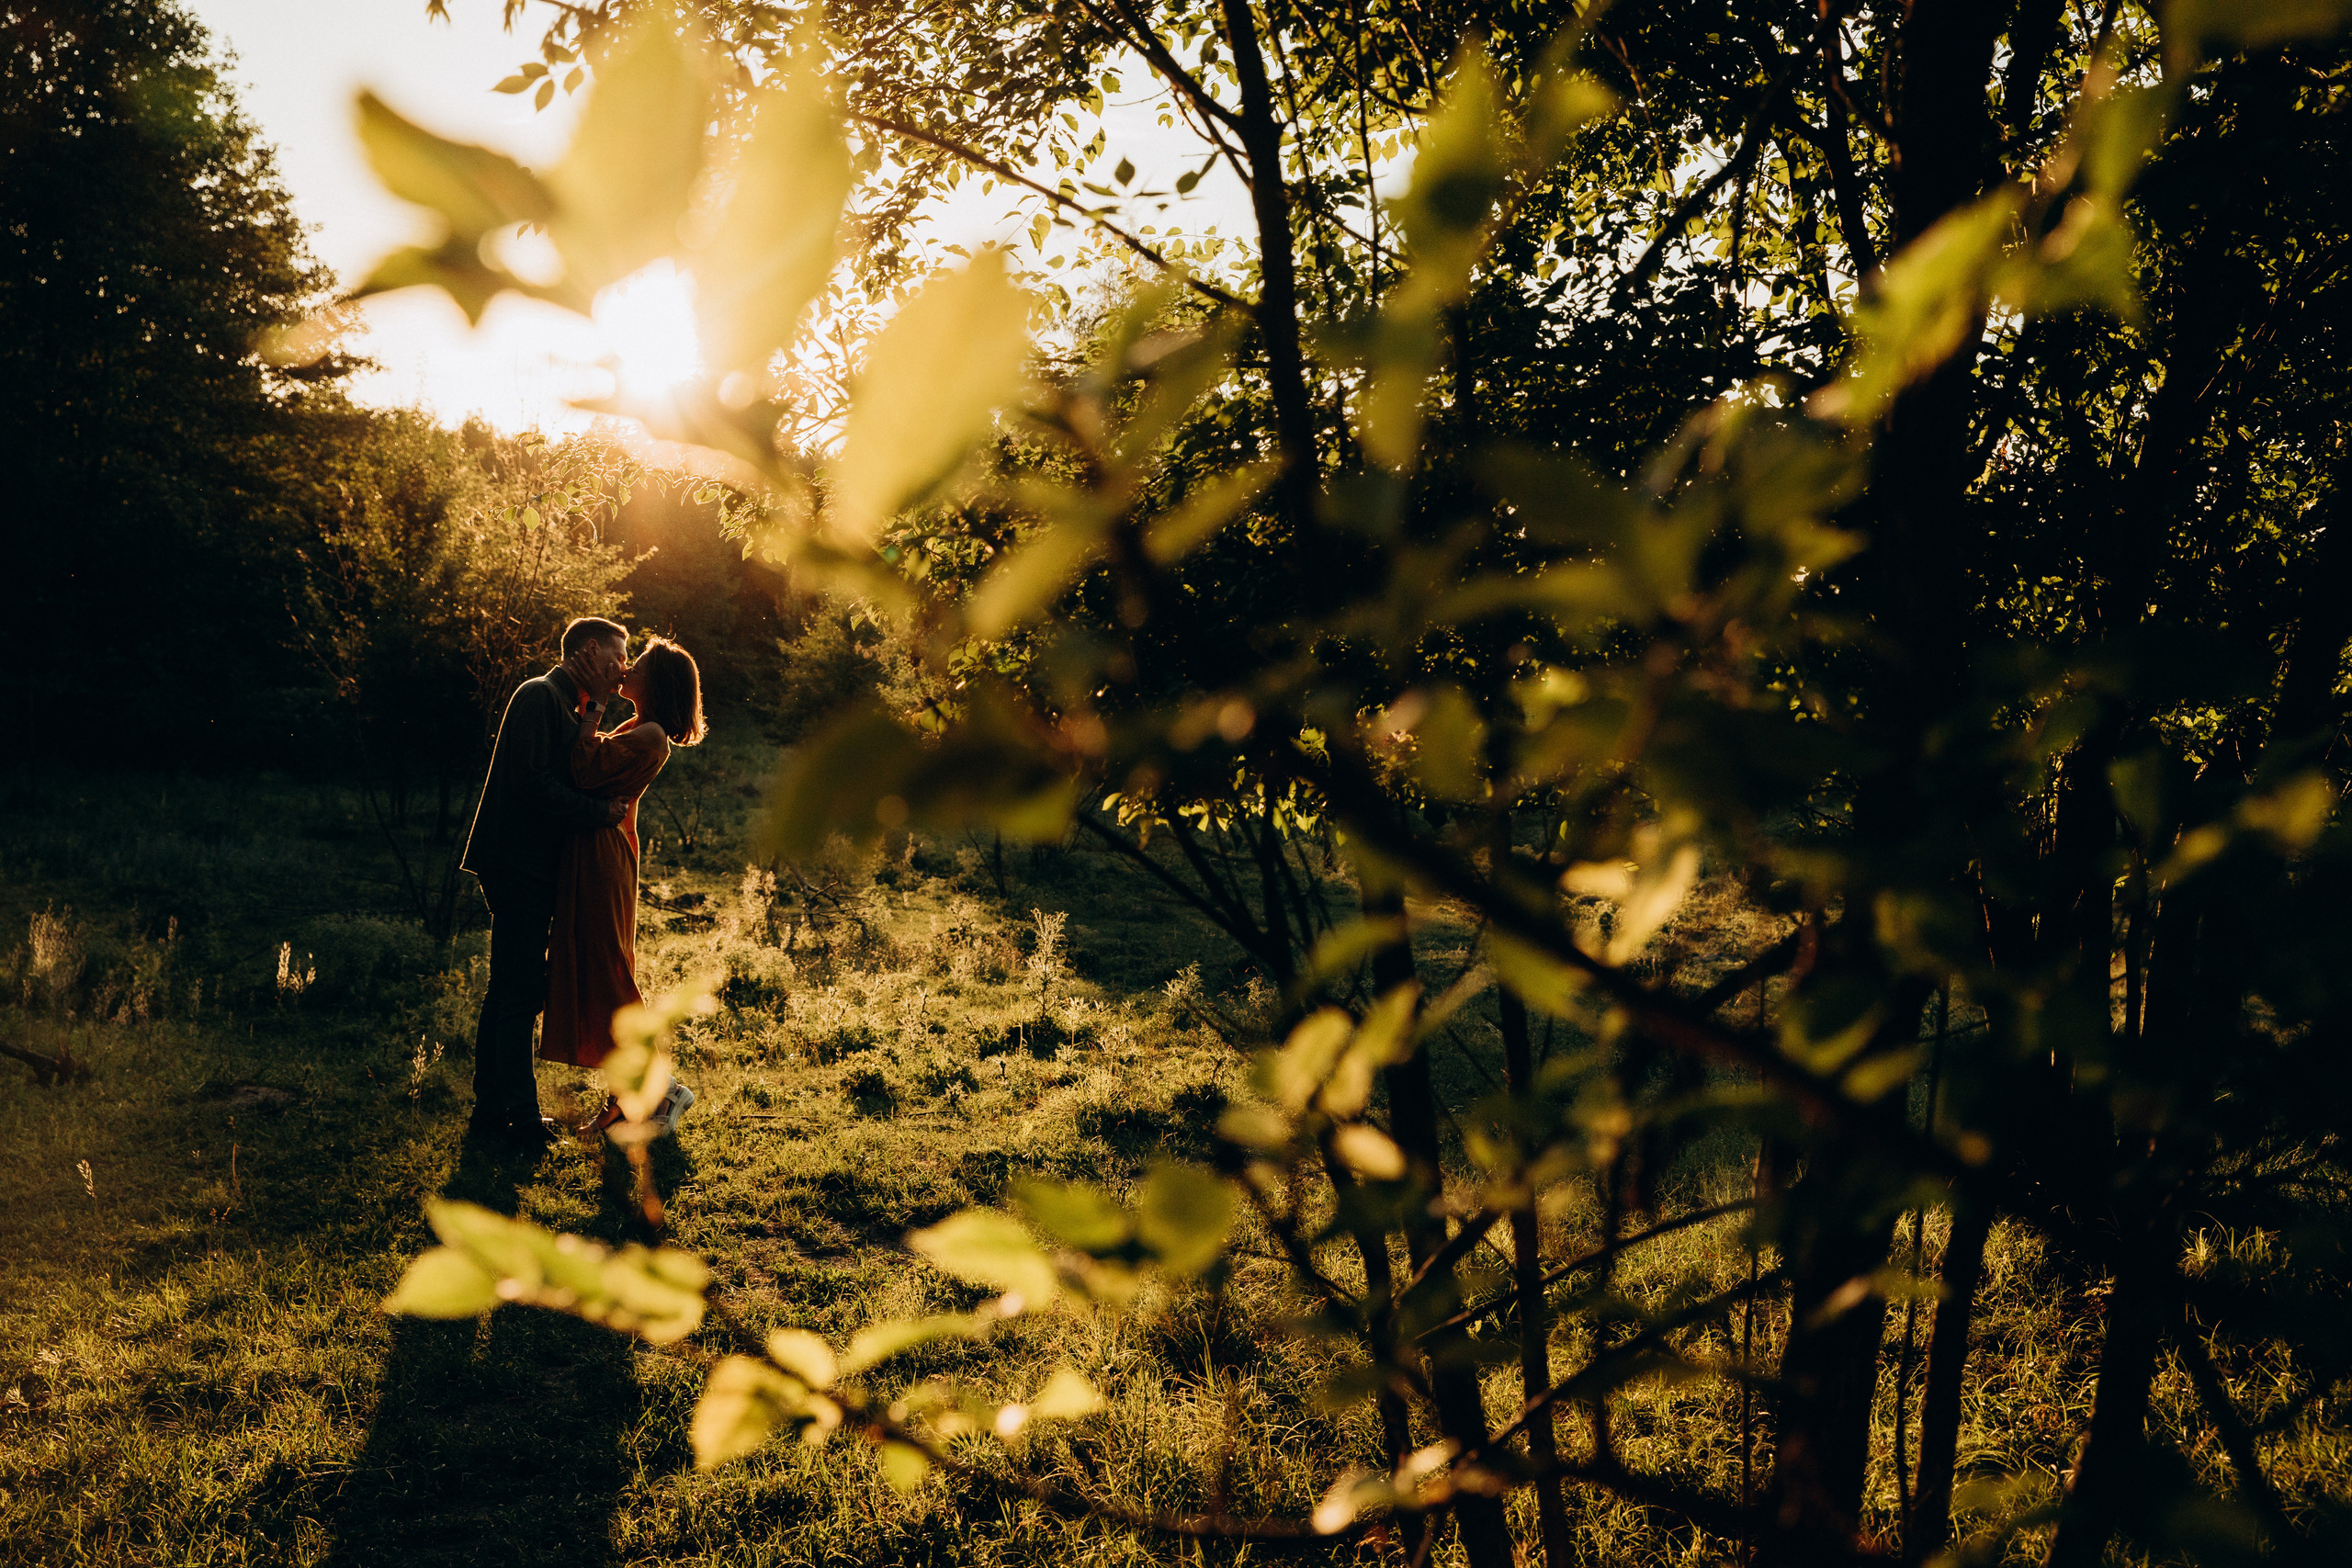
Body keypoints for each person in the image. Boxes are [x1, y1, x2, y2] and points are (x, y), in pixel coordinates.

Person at [459, 616, 631, 1154]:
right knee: (517, 990)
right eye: (615, 659)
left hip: (532, 866)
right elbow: (534, 786)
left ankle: (492, 1111)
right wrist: (599, 812)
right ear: (588, 650)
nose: (621, 672)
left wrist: (597, 709)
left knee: (512, 988)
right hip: (516, 865)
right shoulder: (538, 696)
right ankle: (521, 1118)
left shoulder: (570, 706)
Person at [544, 636, 706, 1138]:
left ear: (655, 682)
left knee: (611, 974)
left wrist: (593, 701)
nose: (626, 667)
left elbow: (582, 770)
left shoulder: (652, 735)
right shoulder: (640, 727)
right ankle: (636, 1095)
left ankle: (657, 1091)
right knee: (600, 968)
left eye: (638, 664)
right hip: (598, 852)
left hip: (603, 856)